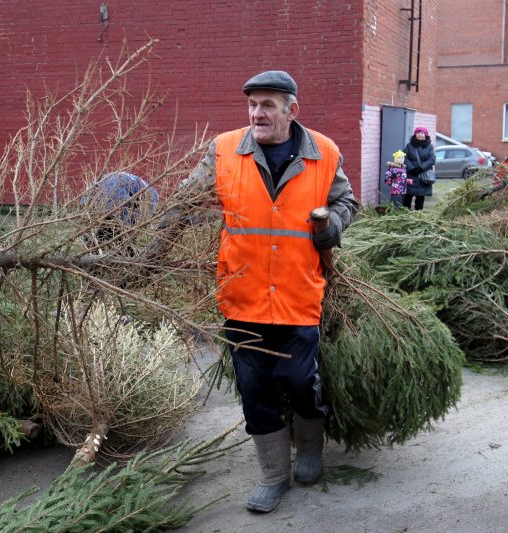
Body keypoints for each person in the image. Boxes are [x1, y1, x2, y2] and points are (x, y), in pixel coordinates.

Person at [185, 70, 358, 513]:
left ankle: (311, 448)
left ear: (291, 110)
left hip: (299, 294)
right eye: (252, 105)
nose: (257, 114)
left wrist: (331, 226)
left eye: (267, 105)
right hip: (242, 297)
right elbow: (183, 202)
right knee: (253, 388)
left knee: (301, 382)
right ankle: (272, 475)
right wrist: (150, 244)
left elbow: (347, 202)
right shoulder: (224, 150)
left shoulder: (325, 152)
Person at [403, 126, 436, 211]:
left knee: (420, 196)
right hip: (411, 175)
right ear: (415, 134)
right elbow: (405, 157)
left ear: (425, 135)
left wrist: (421, 168)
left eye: (422, 133)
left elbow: (432, 159)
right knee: (408, 195)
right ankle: (405, 213)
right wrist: (412, 168)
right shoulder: (409, 145)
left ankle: (418, 214)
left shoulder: (430, 146)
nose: (420, 135)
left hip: (423, 175)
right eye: (418, 133)